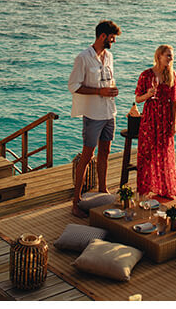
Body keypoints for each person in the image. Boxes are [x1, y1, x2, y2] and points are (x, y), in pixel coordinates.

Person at [68, 20, 122, 218]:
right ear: (102, 36)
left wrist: (112, 90)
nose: (114, 40)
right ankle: (76, 201)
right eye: (112, 37)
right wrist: (100, 91)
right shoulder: (83, 57)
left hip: (109, 112)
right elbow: (73, 86)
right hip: (93, 115)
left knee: (105, 152)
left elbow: (108, 81)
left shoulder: (109, 56)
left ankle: (103, 191)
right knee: (87, 156)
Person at [134, 45, 176, 199]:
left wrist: (174, 123)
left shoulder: (171, 75)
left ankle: (165, 189)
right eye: (168, 55)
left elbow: (173, 102)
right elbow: (138, 99)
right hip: (150, 118)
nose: (170, 58)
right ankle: (144, 189)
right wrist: (148, 94)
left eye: (171, 56)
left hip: (165, 119)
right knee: (147, 153)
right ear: (159, 56)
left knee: (165, 153)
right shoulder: (146, 75)